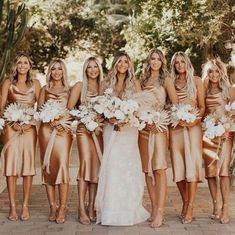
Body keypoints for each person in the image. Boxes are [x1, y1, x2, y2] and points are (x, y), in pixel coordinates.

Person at [96, 52, 149, 226]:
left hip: (129, 130)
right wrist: (107, 117)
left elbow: (140, 107)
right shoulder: (105, 83)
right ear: (115, 63)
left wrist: (127, 118)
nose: (123, 64)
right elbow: (99, 107)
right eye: (120, 61)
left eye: (126, 61)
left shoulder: (134, 83)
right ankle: (110, 210)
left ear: (130, 64)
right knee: (111, 167)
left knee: (128, 168)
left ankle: (129, 209)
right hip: (111, 129)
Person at [138, 48, 178, 227]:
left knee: (159, 169)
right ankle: (153, 208)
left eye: (158, 59)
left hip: (160, 128)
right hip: (144, 129)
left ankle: (160, 212)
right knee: (147, 169)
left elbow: (174, 105)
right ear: (148, 61)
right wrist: (144, 120)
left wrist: (159, 118)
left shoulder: (167, 80)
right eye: (152, 59)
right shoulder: (142, 80)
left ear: (162, 62)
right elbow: (136, 104)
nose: (155, 62)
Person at [0, 53, 41, 221]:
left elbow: (41, 109)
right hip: (11, 127)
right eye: (19, 63)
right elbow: (1, 108)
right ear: (15, 66)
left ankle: (24, 205)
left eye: (25, 62)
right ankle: (12, 206)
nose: (22, 65)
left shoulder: (36, 84)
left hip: (30, 129)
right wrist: (12, 121)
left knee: (28, 167)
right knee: (10, 167)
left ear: (30, 66)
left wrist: (29, 122)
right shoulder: (8, 83)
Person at [169, 51, 205, 224]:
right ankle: (185, 201)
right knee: (179, 167)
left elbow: (203, 107)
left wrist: (194, 121)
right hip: (175, 128)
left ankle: (190, 206)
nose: (180, 65)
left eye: (182, 62)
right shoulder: (171, 82)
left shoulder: (197, 81)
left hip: (193, 128)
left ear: (187, 63)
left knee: (192, 166)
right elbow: (167, 104)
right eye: (177, 63)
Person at [67, 56, 103, 224]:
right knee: (86, 166)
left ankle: (91, 206)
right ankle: (81, 207)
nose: (93, 70)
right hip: (83, 131)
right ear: (85, 70)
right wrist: (84, 117)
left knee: (96, 169)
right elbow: (69, 110)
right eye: (89, 67)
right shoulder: (79, 86)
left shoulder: (104, 87)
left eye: (95, 66)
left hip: (99, 131)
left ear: (99, 69)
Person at [38, 59, 73, 224]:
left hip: (63, 132)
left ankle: (63, 207)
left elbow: (74, 112)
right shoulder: (45, 89)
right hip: (46, 130)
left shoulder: (70, 89)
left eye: (59, 69)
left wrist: (62, 121)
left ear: (63, 71)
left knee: (62, 167)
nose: (57, 72)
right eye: (54, 69)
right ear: (50, 72)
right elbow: (39, 111)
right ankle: (52, 206)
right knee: (48, 168)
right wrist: (48, 119)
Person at [202, 58, 233, 224]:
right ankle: (215, 205)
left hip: (225, 135)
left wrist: (227, 129)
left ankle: (225, 208)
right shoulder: (203, 90)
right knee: (211, 173)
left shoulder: (229, 90)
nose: (214, 74)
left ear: (221, 72)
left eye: (216, 71)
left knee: (224, 172)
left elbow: (232, 113)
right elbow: (201, 112)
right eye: (210, 71)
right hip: (208, 135)